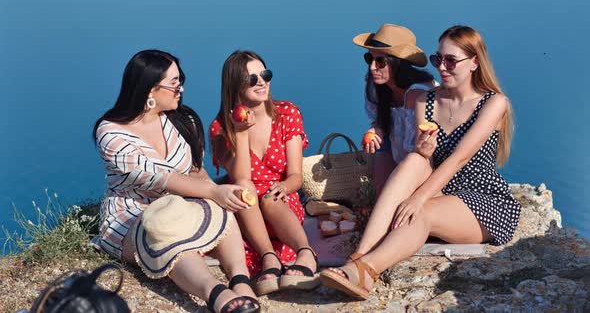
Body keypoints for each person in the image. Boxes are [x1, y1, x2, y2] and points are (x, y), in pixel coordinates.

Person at [320, 25, 521, 300]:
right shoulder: (425, 101)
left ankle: (368, 270)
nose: (442, 67)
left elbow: (458, 159)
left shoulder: (493, 103)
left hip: (480, 199)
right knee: (415, 159)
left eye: (451, 60)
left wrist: (417, 198)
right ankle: (358, 257)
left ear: (475, 62)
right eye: (438, 59)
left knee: (420, 212)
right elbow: (425, 161)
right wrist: (423, 151)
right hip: (440, 188)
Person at [93, 50, 260, 313]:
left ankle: (240, 280)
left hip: (185, 206)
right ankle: (214, 293)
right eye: (173, 83)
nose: (180, 88)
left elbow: (196, 171)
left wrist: (217, 193)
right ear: (149, 90)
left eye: (180, 80)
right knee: (162, 231)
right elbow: (160, 179)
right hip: (134, 216)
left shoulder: (185, 120)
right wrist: (212, 191)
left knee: (219, 206)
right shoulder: (111, 132)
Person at [210, 50, 319, 295]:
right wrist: (240, 132)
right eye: (252, 79)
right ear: (235, 85)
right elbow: (240, 177)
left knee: (270, 198)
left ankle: (306, 252)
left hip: (281, 202)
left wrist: (284, 187)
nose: (261, 82)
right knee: (245, 191)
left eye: (265, 75)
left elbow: (295, 177)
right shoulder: (220, 128)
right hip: (247, 209)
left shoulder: (287, 114)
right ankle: (269, 257)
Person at [354, 23, 438, 195]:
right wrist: (378, 128)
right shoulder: (377, 86)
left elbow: (416, 151)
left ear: (398, 64)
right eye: (370, 59)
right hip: (397, 154)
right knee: (381, 148)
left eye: (380, 61)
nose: (372, 67)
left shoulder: (417, 94)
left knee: (390, 203)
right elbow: (383, 121)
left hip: (426, 165)